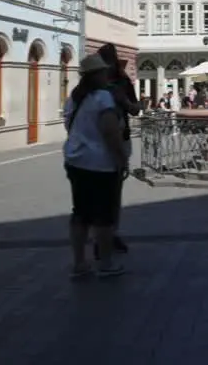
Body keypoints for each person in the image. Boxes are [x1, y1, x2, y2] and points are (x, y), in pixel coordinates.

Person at [63, 54, 127, 279]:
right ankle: (106, 263)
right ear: (97, 75)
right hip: (100, 163)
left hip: (75, 160)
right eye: (103, 72)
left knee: (80, 213)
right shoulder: (102, 98)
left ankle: (79, 263)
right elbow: (110, 133)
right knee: (104, 216)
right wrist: (121, 159)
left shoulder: (73, 99)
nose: (106, 74)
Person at [96, 44, 142, 256]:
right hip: (111, 139)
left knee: (104, 191)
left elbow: (134, 107)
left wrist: (126, 103)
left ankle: (105, 234)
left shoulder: (95, 85)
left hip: (102, 141)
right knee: (111, 190)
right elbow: (134, 108)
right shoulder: (113, 83)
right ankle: (108, 234)